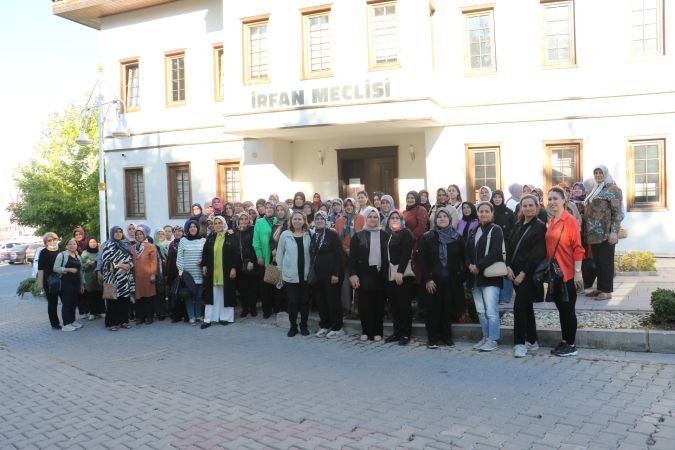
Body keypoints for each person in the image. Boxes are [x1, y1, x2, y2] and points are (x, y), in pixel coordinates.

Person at [417, 207, 465, 349]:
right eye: (439, 217)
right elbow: (422, 261)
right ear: (435, 220)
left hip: (451, 281)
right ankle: (433, 338)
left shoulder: (456, 237)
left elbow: (464, 257)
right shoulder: (428, 237)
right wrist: (427, 279)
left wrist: (460, 276)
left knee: (447, 310)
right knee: (433, 310)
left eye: (445, 216)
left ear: (450, 219)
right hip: (433, 281)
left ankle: (447, 337)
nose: (442, 218)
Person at [546, 187, 585, 357]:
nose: (552, 202)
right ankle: (565, 340)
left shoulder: (570, 221)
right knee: (562, 309)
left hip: (568, 272)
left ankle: (571, 345)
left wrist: (578, 272)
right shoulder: (552, 220)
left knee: (568, 310)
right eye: (550, 199)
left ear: (564, 200)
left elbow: (578, 248)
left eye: (555, 198)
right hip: (555, 273)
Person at [506, 195, 546, 358]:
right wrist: (508, 266)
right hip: (513, 273)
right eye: (525, 206)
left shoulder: (540, 227)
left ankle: (520, 343)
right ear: (521, 208)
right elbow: (509, 247)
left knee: (519, 308)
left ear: (537, 207)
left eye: (531, 205)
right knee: (527, 308)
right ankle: (532, 340)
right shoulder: (517, 225)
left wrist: (523, 273)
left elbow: (537, 254)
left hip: (527, 275)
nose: (528, 208)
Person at [466, 202, 504, 352]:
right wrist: (469, 265)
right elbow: (467, 251)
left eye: (486, 211)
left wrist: (478, 266)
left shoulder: (496, 230)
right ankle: (486, 336)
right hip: (475, 277)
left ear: (492, 213)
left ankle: (493, 339)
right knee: (481, 310)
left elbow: (495, 252)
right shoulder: (475, 230)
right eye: (481, 211)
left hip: (490, 277)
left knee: (491, 311)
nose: (483, 214)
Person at [348, 207, 389, 342]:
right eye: (370, 217)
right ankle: (366, 330)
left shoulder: (385, 235)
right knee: (364, 305)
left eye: (375, 217)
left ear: (379, 219)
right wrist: (353, 274)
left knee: (378, 304)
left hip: (379, 275)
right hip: (363, 275)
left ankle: (378, 331)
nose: (372, 219)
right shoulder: (358, 236)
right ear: (366, 218)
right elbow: (352, 258)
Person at [584, 165, 622, 301]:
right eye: (596, 173)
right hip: (594, 234)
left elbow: (616, 212)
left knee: (606, 262)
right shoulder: (597, 188)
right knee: (598, 262)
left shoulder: (613, 189)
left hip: (606, 233)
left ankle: (607, 291)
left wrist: (614, 232)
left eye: (600, 172)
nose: (598, 175)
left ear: (606, 173)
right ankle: (600, 288)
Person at [277, 210, 312, 337]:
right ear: (291, 221)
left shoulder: (309, 234)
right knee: (292, 302)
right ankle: (293, 327)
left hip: (306, 275)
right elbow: (280, 253)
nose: (297, 221)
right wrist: (280, 270)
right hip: (290, 274)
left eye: (300, 219)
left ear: (304, 221)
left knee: (304, 302)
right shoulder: (285, 235)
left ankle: (304, 326)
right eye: (295, 219)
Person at [311, 211, 345, 338]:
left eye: (321, 218)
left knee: (333, 301)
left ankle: (337, 326)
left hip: (332, 275)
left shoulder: (332, 234)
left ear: (326, 220)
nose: (319, 221)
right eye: (317, 218)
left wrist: (336, 273)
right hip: (318, 275)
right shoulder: (315, 235)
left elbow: (339, 255)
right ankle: (325, 325)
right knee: (321, 301)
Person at [382, 210, 414, 346]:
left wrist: (400, 272)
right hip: (390, 274)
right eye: (392, 218)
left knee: (403, 305)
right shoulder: (389, 235)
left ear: (401, 220)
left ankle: (406, 334)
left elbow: (406, 254)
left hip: (402, 274)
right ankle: (397, 332)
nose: (394, 220)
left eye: (397, 218)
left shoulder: (406, 233)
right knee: (394, 305)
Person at [201, 216, 237, 328]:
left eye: (219, 223)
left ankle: (225, 318)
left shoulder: (230, 237)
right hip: (212, 271)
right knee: (212, 295)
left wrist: (234, 268)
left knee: (225, 294)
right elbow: (205, 253)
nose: (217, 225)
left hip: (226, 271)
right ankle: (208, 319)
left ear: (224, 224)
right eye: (215, 223)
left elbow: (235, 253)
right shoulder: (211, 237)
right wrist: (204, 265)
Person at [101, 226, 135, 331]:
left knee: (124, 300)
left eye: (120, 232)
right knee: (112, 302)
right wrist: (121, 265)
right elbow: (106, 263)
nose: (118, 234)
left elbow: (130, 259)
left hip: (124, 277)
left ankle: (124, 321)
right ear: (112, 233)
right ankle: (112, 323)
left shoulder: (124, 244)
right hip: (111, 277)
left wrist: (129, 265)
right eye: (116, 232)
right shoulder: (107, 245)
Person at [335, 198, 365, 313]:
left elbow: (363, 236)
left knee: (358, 281)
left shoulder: (360, 218)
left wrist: (353, 250)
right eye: (346, 205)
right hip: (344, 255)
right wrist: (345, 249)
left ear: (354, 206)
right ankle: (346, 308)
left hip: (358, 254)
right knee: (345, 283)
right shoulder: (339, 220)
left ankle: (357, 309)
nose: (348, 207)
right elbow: (338, 239)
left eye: (350, 205)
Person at [53, 238, 86, 332]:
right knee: (67, 303)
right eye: (70, 244)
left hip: (76, 282)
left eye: (74, 244)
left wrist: (82, 284)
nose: (72, 246)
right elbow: (55, 268)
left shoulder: (77, 256)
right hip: (65, 282)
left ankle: (72, 321)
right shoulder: (62, 255)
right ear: (66, 246)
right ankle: (66, 324)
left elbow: (81, 271)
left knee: (74, 302)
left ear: (77, 245)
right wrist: (68, 269)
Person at [177, 220, 206, 325]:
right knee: (188, 296)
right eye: (190, 227)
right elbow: (180, 257)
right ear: (188, 229)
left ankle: (198, 316)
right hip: (187, 275)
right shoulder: (183, 240)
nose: (193, 228)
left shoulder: (203, 240)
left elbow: (206, 255)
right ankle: (191, 317)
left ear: (198, 228)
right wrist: (181, 272)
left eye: (195, 226)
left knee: (198, 296)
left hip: (199, 274)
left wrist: (203, 262)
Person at [253, 201, 278, 318]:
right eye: (266, 207)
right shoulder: (259, 222)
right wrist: (259, 256)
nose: (268, 209)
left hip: (276, 258)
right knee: (264, 286)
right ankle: (267, 309)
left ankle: (277, 307)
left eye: (271, 207)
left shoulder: (278, 222)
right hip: (264, 258)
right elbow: (256, 241)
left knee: (276, 283)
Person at [491, 190, 516, 305]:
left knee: (506, 267)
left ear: (502, 198)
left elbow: (514, 228)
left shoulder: (509, 212)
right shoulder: (489, 211)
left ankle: (505, 296)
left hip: (506, 243)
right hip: (491, 243)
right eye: (495, 197)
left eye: (499, 197)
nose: (497, 199)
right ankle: (495, 294)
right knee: (494, 268)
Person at [232, 212, 258, 317]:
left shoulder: (252, 230)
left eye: (245, 219)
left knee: (252, 288)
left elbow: (255, 246)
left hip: (251, 263)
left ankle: (253, 308)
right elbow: (233, 249)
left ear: (249, 220)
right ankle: (245, 309)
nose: (243, 221)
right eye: (241, 219)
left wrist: (251, 261)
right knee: (242, 289)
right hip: (239, 265)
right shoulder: (234, 232)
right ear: (238, 221)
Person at [131, 225, 157, 325]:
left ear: (144, 235)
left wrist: (153, 274)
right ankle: (140, 317)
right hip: (136, 277)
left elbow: (154, 261)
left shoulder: (150, 246)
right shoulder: (132, 248)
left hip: (148, 275)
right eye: (137, 234)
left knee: (148, 297)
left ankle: (149, 317)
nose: (138, 236)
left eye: (141, 234)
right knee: (138, 297)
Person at [37, 232, 63, 330]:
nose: (52, 241)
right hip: (50, 280)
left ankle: (68, 320)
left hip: (62, 278)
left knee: (67, 301)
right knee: (53, 303)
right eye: (49, 240)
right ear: (46, 242)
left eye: (54, 239)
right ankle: (54, 323)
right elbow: (40, 269)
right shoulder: (43, 252)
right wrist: (40, 284)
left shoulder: (61, 250)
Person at [403, 190, 429, 283]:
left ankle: (419, 287)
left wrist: (410, 239)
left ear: (416, 199)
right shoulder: (405, 211)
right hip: (406, 243)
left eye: (412, 198)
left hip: (417, 242)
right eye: (408, 198)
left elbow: (421, 227)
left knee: (417, 265)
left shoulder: (421, 209)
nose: (410, 200)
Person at [81, 237, 104, 321]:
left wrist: (96, 263)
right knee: (91, 295)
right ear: (88, 244)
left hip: (99, 276)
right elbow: (82, 266)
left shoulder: (100, 252)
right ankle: (92, 313)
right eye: (91, 242)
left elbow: (103, 262)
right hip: (89, 277)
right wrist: (89, 264)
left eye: (94, 242)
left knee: (100, 294)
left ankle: (101, 311)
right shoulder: (85, 253)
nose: (93, 244)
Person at [166, 226, 186, 323]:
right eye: (176, 231)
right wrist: (168, 273)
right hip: (173, 273)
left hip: (183, 272)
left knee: (184, 294)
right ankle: (176, 315)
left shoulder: (186, 242)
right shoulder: (171, 244)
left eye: (179, 231)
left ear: (183, 232)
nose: (177, 233)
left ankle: (186, 315)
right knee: (175, 294)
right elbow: (169, 260)